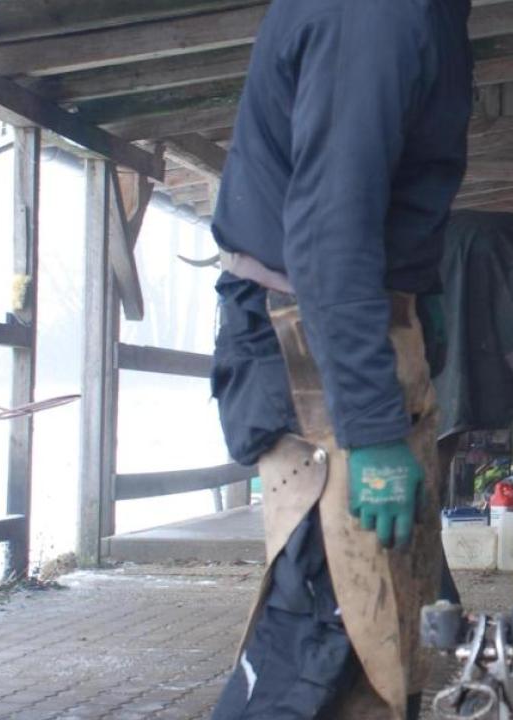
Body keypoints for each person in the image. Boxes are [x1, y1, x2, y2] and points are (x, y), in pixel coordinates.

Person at [206, 0, 472, 718]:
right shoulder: (377, 13)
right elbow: (330, 232)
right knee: (327, 632)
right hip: (314, 341)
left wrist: (423, 285)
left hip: (341, 325)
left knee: (371, 642)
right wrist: (372, 429)